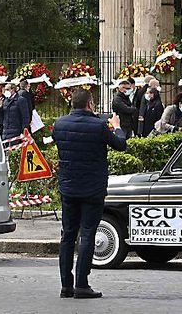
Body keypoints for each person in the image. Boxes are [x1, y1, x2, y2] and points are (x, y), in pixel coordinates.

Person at [53, 88, 127, 299]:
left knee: (67, 235)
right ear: (90, 104)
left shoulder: (60, 124)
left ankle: (66, 285)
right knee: (87, 234)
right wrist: (117, 127)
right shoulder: (98, 126)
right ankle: (82, 284)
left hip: (68, 187)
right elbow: (120, 145)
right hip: (92, 189)